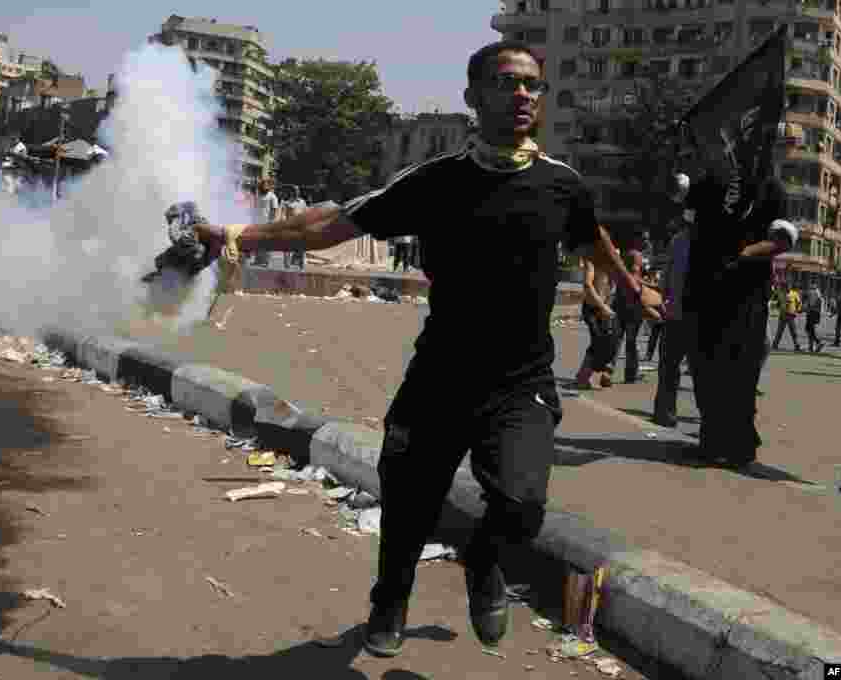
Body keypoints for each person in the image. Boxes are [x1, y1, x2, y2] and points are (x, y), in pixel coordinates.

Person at [193, 40, 656, 657]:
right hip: (441, 374)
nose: (521, 94)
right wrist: (238, 235)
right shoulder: (436, 182)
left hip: (522, 382)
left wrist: (630, 287)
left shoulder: (560, 184)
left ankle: (486, 566)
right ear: (473, 98)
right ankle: (391, 597)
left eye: (531, 85)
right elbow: (332, 224)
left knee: (521, 503)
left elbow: (591, 239)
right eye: (505, 83)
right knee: (408, 497)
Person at [684, 168, 796, 467]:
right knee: (703, 366)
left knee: (741, 372)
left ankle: (740, 444)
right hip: (702, 292)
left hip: (746, 296)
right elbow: (687, 216)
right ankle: (711, 438)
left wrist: (747, 253)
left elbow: (783, 240)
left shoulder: (771, 187)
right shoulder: (709, 177)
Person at [652, 176, 694, 427]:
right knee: (700, 370)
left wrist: (664, 302)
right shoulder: (703, 243)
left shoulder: (677, 241)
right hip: (693, 316)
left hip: (674, 314)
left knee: (668, 367)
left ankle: (664, 412)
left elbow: (665, 279)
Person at [577, 253, 617, 389]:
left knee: (609, 341)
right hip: (592, 309)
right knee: (598, 341)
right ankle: (582, 377)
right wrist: (602, 306)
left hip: (604, 307)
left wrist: (607, 305)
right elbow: (588, 285)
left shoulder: (611, 260)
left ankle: (603, 374)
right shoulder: (591, 260)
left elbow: (611, 286)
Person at [612, 236, 647, 383]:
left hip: (620, 303)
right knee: (631, 341)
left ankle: (609, 370)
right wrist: (648, 286)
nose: (646, 241)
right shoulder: (636, 255)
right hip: (632, 305)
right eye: (643, 239)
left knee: (617, 340)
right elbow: (634, 277)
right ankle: (630, 374)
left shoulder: (625, 256)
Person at [772, 283, 802, 351]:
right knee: (779, 331)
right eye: (784, 288)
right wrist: (778, 307)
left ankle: (797, 346)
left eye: (787, 287)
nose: (786, 289)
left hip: (791, 315)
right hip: (782, 314)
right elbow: (778, 302)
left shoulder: (794, 293)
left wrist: (798, 310)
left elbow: (799, 303)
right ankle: (775, 345)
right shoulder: (780, 293)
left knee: (793, 332)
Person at [283, 187, 308, 269]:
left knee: (301, 247)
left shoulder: (302, 202)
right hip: (290, 227)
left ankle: (301, 265)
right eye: (295, 191)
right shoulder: (287, 203)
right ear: (291, 192)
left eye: (298, 191)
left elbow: (306, 213)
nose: (297, 192)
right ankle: (287, 265)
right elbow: (284, 216)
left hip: (300, 227)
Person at [803, 283, 824, 352]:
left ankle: (818, 342)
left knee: (810, 329)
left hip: (812, 312)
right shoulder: (818, 292)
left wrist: (807, 308)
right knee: (810, 329)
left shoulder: (813, 292)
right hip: (816, 313)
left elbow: (809, 303)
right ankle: (811, 346)